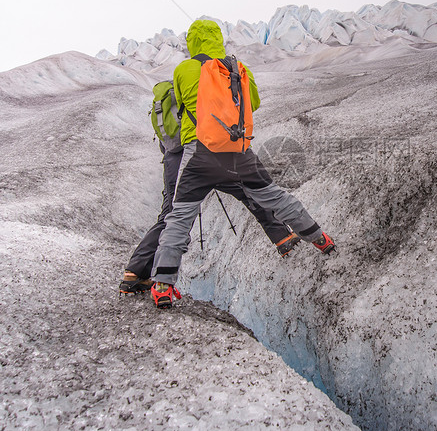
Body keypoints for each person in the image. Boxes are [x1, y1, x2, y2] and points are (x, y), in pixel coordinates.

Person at [150, 19, 335, 308]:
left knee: (180, 217)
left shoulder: (183, 70)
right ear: (218, 39)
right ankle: (319, 237)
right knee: (275, 197)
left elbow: (183, 106)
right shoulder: (239, 68)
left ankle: (162, 284)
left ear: (192, 42)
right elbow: (255, 103)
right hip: (239, 151)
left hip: (199, 154)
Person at [118, 99, 300, 295]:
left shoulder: (175, 100)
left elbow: (166, 145)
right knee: (249, 190)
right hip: (205, 154)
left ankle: (136, 272)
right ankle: (283, 237)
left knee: (171, 215)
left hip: (175, 159)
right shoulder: (208, 86)